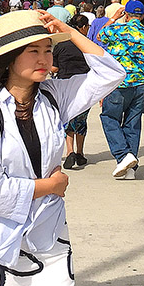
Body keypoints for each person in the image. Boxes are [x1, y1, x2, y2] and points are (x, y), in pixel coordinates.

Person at [0, 10, 124, 286]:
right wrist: (49, 186)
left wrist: (70, 32)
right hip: (5, 239)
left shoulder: (52, 97)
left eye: (48, 50)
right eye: (33, 51)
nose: (44, 60)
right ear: (9, 57)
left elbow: (111, 73)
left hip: (51, 235)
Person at [96, 0, 144, 180]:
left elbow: (100, 36)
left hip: (119, 84)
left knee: (109, 118)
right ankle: (130, 170)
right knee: (132, 123)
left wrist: (113, 18)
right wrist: (140, 67)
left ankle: (123, 155)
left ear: (126, 14)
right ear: (143, 15)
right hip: (141, 85)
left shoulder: (115, 30)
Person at [53, 14, 92, 170]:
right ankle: (80, 153)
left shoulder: (61, 44)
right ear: (82, 28)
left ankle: (69, 152)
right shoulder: (86, 45)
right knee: (81, 120)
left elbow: (54, 68)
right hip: (84, 86)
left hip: (65, 87)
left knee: (68, 119)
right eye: (87, 26)